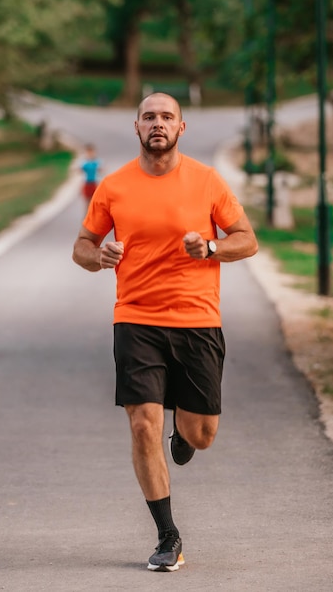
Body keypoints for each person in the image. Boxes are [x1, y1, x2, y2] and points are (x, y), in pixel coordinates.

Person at [72, 93, 258, 572]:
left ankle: (185, 429)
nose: (158, 124)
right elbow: (82, 246)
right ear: (137, 128)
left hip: (197, 320)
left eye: (167, 117)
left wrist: (211, 247)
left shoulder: (206, 180)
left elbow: (247, 240)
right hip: (135, 318)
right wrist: (100, 256)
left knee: (202, 434)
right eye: (150, 117)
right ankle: (167, 535)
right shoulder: (113, 187)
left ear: (182, 127)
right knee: (141, 424)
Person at [79, 143, 102, 209]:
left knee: (94, 200)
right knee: (87, 202)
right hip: (86, 183)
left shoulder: (97, 162)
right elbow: (79, 170)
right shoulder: (84, 162)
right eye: (88, 152)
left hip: (94, 183)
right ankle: (87, 216)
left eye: (91, 152)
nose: (90, 154)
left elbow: (101, 169)